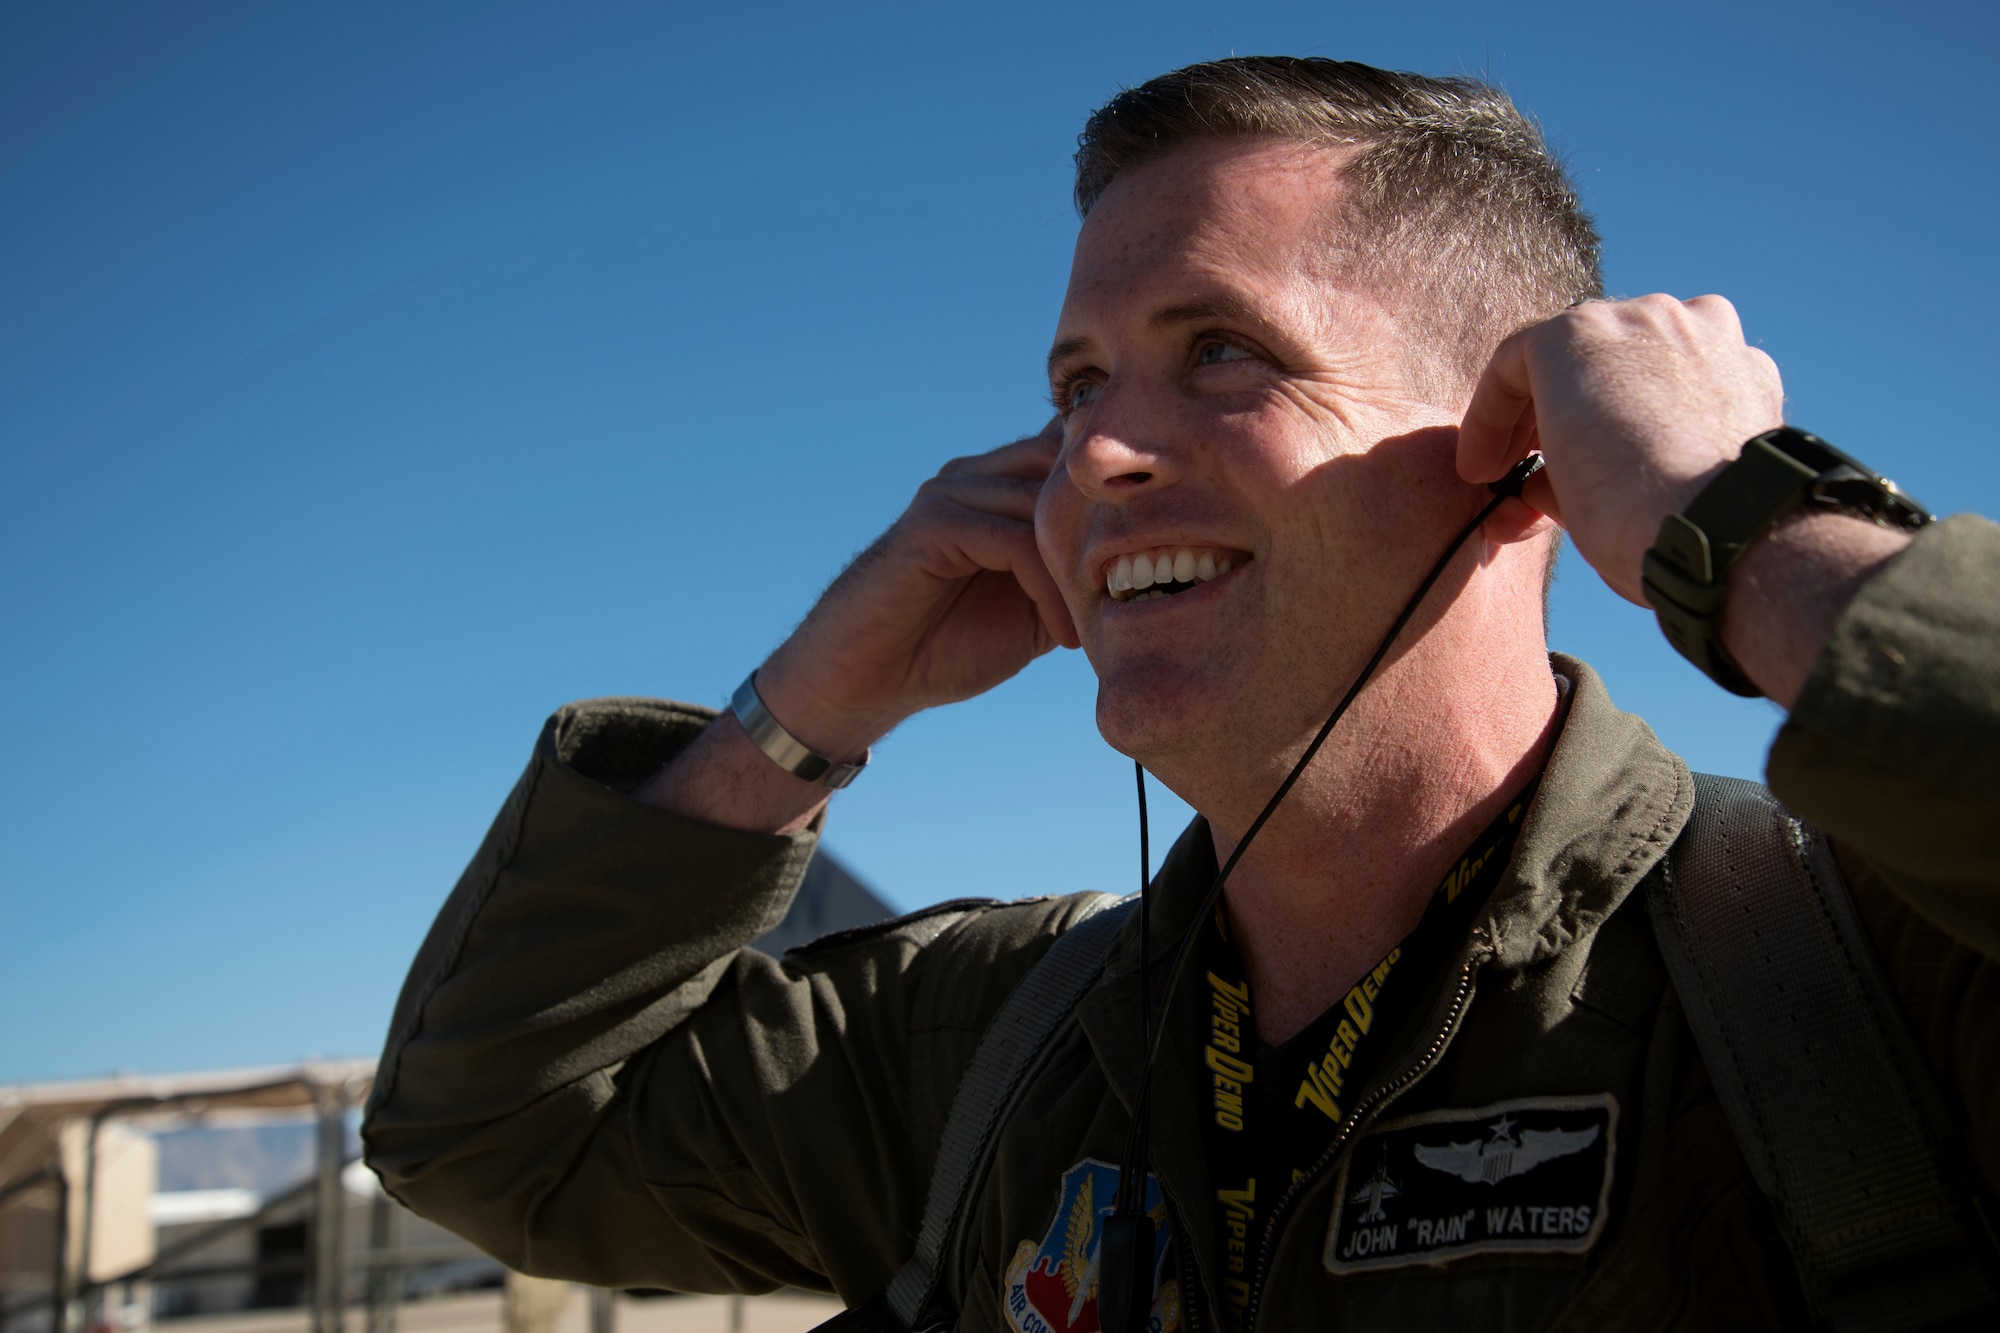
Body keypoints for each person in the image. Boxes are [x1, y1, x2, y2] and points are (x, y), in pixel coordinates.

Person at [361, 57, 2000, 1332]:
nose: (1093, 454)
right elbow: (497, 1131)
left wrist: (1739, 521)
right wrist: (794, 716)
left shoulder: (1856, 978)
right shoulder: (999, 1036)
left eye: (1221, 350)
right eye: (1077, 383)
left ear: (1523, 454)